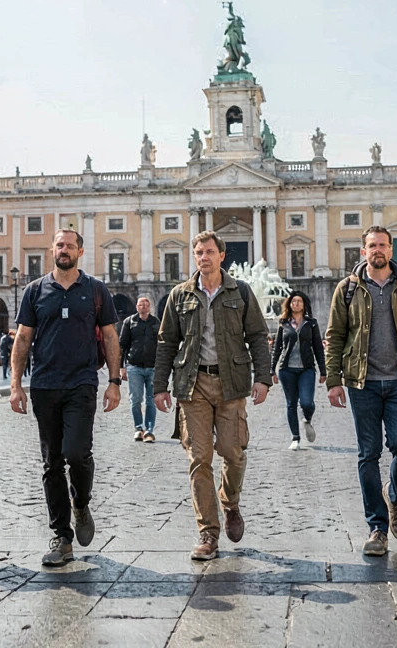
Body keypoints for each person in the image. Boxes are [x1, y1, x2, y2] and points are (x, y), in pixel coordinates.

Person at [154, 230, 272, 561]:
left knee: (233, 454)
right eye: (198, 252)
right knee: (199, 459)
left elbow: (258, 335)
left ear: (222, 256)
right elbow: (166, 343)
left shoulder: (242, 291)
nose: (203, 257)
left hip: (232, 383)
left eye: (209, 252)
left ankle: (230, 502)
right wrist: (159, 386)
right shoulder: (180, 295)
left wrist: (263, 377)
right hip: (193, 385)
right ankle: (208, 532)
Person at [324, 226, 397, 557]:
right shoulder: (346, 289)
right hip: (363, 383)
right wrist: (334, 380)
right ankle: (377, 527)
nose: (378, 250)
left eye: (383, 245)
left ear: (391, 250)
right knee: (368, 454)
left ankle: (396, 495)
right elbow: (335, 335)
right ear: (363, 252)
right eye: (372, 245)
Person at [10, 230, 122, 566]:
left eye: (70, 245)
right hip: (45, 385)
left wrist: (114, 381)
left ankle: (81, 503)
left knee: (77, 453)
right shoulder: (34, 291)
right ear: (52, 250)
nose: (64, 250)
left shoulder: (95, 290)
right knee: (52, 462)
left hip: (82, 382)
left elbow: (110, 336)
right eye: (59, 245)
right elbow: (23, 339)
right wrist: (16, 384)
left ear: (80, 251)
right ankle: (61, 536)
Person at [270, 290, 327, 450]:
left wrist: (323, 370)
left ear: (304, 305)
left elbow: (318, 347)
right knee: (291, 404)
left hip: (306, 369)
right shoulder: (283, 323)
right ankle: (295, 437)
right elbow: (277, 347)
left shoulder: (311, 323)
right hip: (286, 369)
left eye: (299, 301)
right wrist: (272, 370)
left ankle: (307, 418)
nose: (296, 303)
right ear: (289, 304)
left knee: (307, 402)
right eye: (293, 301)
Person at [119, 295, 161, 443]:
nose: (143, 307)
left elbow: (162, 346)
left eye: (146, 305)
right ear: (137, 307)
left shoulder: (156, 323)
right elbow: (122, 346)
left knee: (151, 400)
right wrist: (121, 367)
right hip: (134, 367)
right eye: (141, 304)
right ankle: (139, 428)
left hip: (153, 367)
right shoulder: (129, 322)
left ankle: (149, 431)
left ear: (150, 307)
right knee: (135, 399)